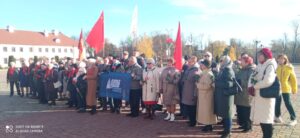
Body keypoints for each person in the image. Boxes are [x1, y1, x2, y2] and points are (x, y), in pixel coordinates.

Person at [248, 48, 277, 138]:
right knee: (262, 120)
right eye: (258, 55)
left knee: (266, 120)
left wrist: (255, 86)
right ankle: (266, 135)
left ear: (266, 55)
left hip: (266, 97)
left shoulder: (270, 65)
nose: (259, 57)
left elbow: (268, 80)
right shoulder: (260, 65)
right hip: (259, 97)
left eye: (261, 55)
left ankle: (268, 135)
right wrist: (250, 85)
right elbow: (252, 76)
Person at [214, 55, 235, 138]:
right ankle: (226, 130)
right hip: (223, 95)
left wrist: (216, 84)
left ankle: (228, 132)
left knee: (227, 114)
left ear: (226, 61)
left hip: (226, 96)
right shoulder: (223, 69)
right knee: (225, 114)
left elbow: (229, 84)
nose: (220, 62)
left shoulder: (228, 69)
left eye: (222, 60)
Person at [274, 54, 298, 126]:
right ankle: (277, 117)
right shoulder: (276, 68)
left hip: (286, 89)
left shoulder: (289, 68)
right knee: (277, 103)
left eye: (282, 59)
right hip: (277, 89)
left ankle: (293, 119)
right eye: (279, 58)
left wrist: (294, 89)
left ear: (285, 60)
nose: (281, 60)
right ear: (277, 59)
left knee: (288, 103)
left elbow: (293, 80)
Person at [235, 55, 255, 132]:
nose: (240, 62)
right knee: (241, 111)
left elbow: (251, 82)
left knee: (246, 111)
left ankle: (248, 126)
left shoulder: (251, 70)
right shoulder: (241, 69)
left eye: (242, 61)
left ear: (247, 62)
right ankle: (243, 124)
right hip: (240, 94)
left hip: (246, 94)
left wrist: (241, 82)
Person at [196, 59, 217, 132]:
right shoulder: (204, 73)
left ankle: (209, 125)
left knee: (207, 111)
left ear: (205, 65)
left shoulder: (208, 74)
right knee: (205, 111)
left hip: (207, 95)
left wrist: (198, 85)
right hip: (204, 95)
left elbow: (207, 86)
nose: (200, 65)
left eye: (202, 64)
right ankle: (207, 124)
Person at [182, 56, 200, 127]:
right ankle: (190, 120)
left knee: (192, 108)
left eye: (190, 62)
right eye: (188, 62)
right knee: (189, 107)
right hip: (187, 90)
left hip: (192, 91)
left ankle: (193, 121)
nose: (188, 63)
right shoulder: (188, 69)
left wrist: (195, 93)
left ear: (194, 62)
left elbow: (196, 83)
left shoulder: (196, 70)